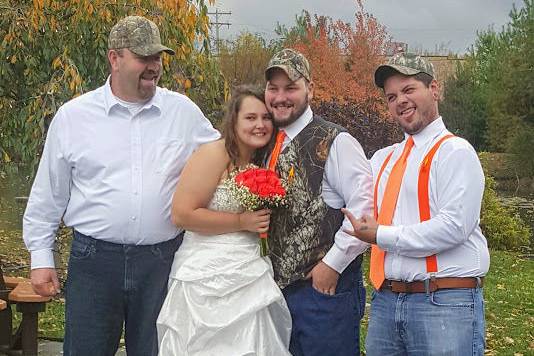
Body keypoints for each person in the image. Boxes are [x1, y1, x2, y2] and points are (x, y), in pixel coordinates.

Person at [22, 16, 220, 356]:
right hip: (94, 262)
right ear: (115, 58)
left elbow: (224, 164)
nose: (154, 66)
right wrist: (41, 257)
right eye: (144, 57)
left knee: (161, 351)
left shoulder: (184, 113)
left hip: (163, 262)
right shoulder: (74, 117)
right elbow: (48, 194)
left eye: (157, 58)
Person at [342, 53, 490, 355]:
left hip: (444, 301)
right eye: (392, 96)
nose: (400, 101)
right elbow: (343, 195)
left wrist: (380, 235)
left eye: (409, 90)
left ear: (434, 89)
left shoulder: (455, 152)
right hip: (386, 302)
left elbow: (453, 227)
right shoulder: (383, 159)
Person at [156, 85, 292, 355]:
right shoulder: (214, 154)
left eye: (266, 118)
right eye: (251, 118)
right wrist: (241, 221)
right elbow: (182, 214)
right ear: (234, 120)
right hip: (204, 273)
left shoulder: (262, 160)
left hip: (249, 271)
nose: (260, 125)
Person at [264, 48, 373, 355]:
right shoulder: (264, 140)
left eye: (291, 87)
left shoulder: (336, 142)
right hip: (270, 295)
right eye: (273, 88)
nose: (280, 96)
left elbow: (364, 211)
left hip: (321, 295)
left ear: (310, 89)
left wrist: (332, 265)